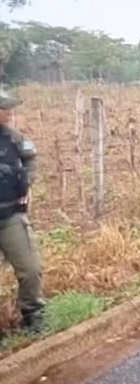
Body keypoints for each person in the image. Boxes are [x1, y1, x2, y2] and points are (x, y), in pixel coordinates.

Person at [0, 89, 46, 334]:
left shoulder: (14, 137)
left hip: (10, 216)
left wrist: (27, 182)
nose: (9, 113)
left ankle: (33, 313)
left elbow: (31, 155)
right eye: (4, 108)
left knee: (30, 269)